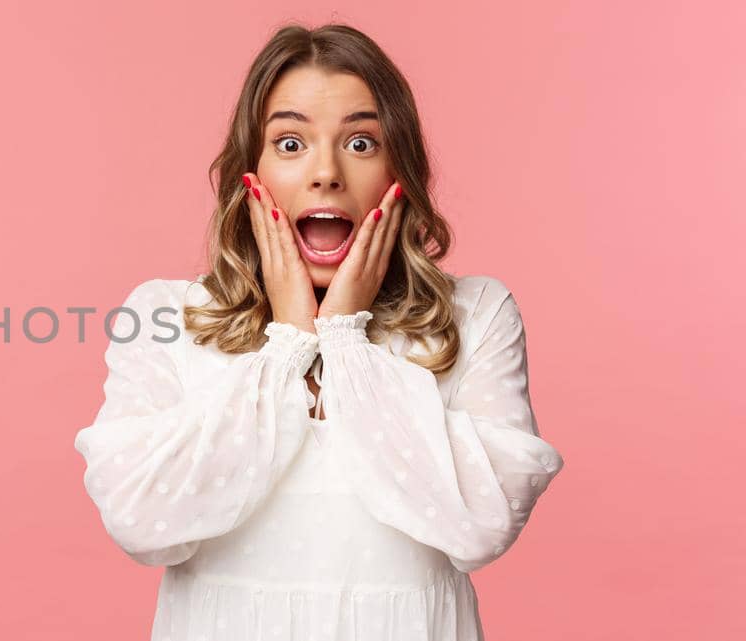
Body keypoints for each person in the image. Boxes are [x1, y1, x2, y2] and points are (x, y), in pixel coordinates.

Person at [72, 23, 564, 641]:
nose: (326, 173)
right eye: (290, 143)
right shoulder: (167, 317)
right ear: (249, 171)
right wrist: (290, 344)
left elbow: (480, 527)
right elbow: (142, 523)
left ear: (399, 170)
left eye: (361, 143)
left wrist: (344, 340)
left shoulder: (475, 315)